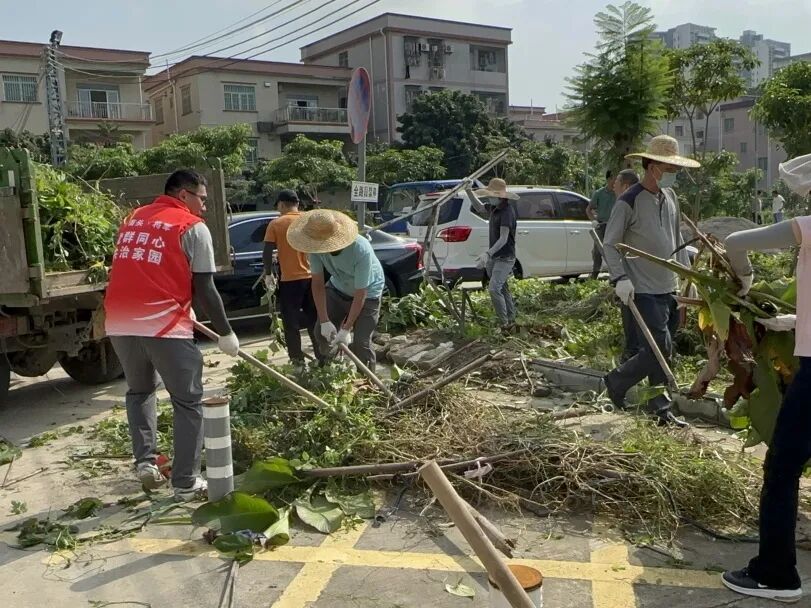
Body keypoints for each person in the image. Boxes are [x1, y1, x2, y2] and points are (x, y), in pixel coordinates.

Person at [104, 169, 240, 502]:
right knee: (188, 402)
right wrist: (226, 332)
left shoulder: (134, 218)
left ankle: (146, 463)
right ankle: (184, 482)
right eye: (202, 199)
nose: (205, 208)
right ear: (183, 195)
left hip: (119, 322)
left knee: (139, 392)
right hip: (163, 325)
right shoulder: (192, 227)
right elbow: (205, 288)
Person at [720, 154, 811, 603]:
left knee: (782, 466)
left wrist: (746, 278)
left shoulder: (808, 226)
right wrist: (794, 320)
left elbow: (735, 241)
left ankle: (776, 574)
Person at [601, 135, 698, 428]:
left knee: (662, 349)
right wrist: (619, 278)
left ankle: (656, 406)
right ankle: (621, 384)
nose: (672, 175)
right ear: (652, 166)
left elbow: (676, 237)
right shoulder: (628, 201)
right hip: (640, 288)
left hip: (667, 285)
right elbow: (610, 243)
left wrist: (688, 274)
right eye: (669, 169)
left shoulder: (670, 198)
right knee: (660, 346)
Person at [287, 209, 385, 371]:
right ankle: (331, 371)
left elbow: (361, 293)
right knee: (320, 332)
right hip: (338, 288)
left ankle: (369, 381)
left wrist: (346, 329)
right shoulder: (316, 249)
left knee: (361, 343)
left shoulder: (360, 249)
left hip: (368, 294)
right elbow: (317, 284)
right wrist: (325, 320)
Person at [263, 190, 320, 365]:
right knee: (314, 321)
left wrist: (268, 274)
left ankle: (297, 362)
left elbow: (267, 251)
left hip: (290, 281)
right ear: (297, 204)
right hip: (313, 278)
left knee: (291, 324)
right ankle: (323, 358)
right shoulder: (309, 220)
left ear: (281, 204)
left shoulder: (277, 224)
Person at [468, 178, 519, 332]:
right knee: (502, 288)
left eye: (492, 195)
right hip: (495, 257)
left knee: (494, 289)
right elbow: (479, 207)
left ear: (500, 196)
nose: (490, 198)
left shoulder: (507, 212)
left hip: (505, 257)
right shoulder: (494, 208)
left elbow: (504, 238)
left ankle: (504, 324)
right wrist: (468, 190)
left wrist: (487, 254)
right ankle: (511, 319)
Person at [611, 169, 642, 362]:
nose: (613, 187)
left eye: (617, 184)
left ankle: (632, 356)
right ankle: (633, 354)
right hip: (630, 275)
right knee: (631, 317)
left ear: (626, 186)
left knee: (635, 318)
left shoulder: (627, 204)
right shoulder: (624, 205)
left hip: (639, 274)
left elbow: (611, 243)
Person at [587, 171, 617, 279]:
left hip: (614, 225)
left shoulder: (619, 194)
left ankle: (614, 274)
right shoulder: (599, 193)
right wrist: (593, 221)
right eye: (615, 178)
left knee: (614, 249)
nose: (616, 181)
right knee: (597, 250)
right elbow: (588, 209)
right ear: (609, 179)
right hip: (601, 225)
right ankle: (595, 273)